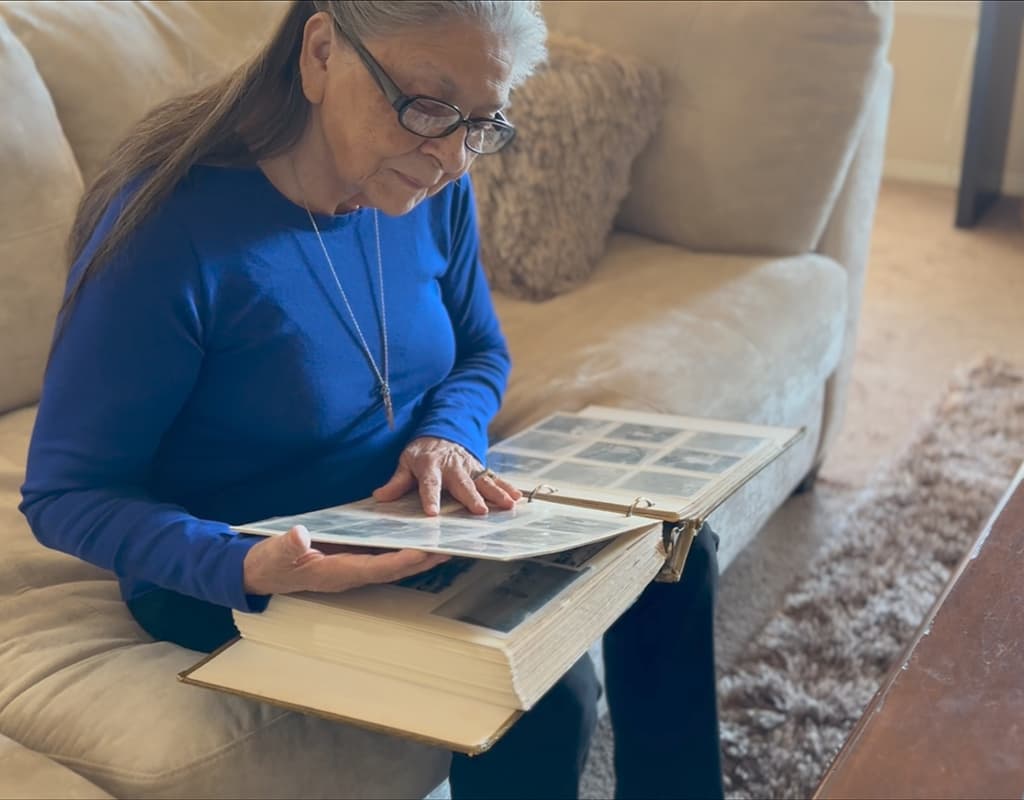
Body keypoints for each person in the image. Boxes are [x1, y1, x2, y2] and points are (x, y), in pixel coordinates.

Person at [19, 2, 723, 798]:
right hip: (240, 566)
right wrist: (245, 563)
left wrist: (447, 437)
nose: (454, 156)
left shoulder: (428, 189)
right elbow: (66, 493)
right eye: (426, 107)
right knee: (544, 695)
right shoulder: (168, 235)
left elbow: (482, 351)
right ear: (320, 53)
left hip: (410, 515)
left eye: (483, 122)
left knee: (672, 550)